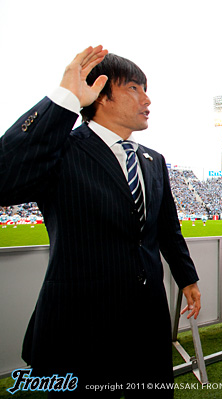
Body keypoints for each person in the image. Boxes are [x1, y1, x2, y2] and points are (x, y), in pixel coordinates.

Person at [0, 46, 201, 398]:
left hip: (148, 325)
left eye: (146, 88)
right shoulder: (61, 151)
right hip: (82, 328)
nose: (147, 98)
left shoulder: (154, 160)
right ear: (101, 96)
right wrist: (65, 98)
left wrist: (187, 278)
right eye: (134, 88)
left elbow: (167, 228)